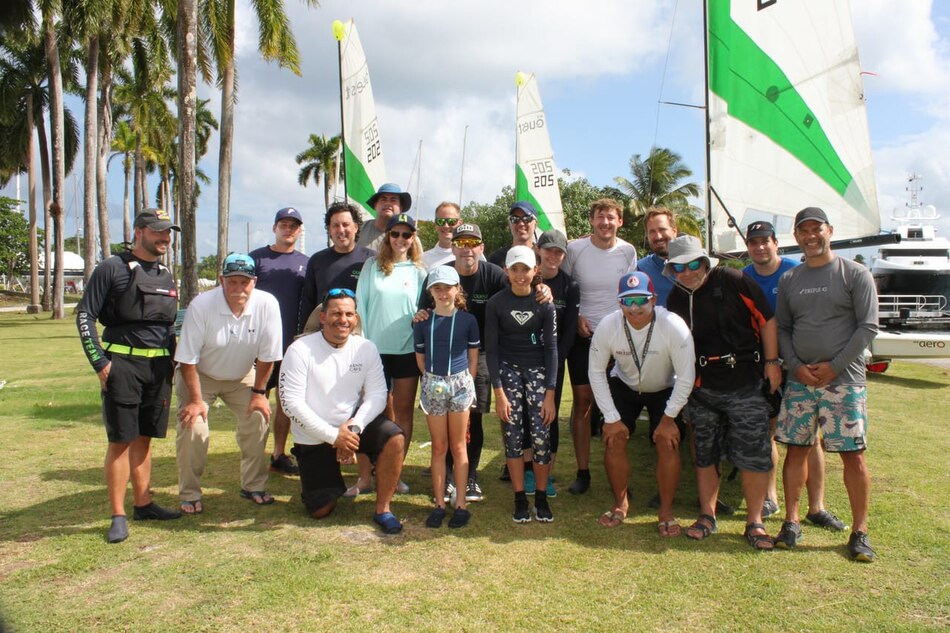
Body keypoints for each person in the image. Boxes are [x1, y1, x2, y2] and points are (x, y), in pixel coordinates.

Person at [773, 207, 879, 562]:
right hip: (800, 381)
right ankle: (791, 521)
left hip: (844, 382)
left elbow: (867, 327)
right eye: (803, 231)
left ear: (829, 231)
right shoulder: (790, 279)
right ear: (796, 236)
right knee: (796, 449)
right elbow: (783, 328)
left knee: (853, 456)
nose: (810, 236)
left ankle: (860, 532)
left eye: (816, 229)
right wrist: (795, 366)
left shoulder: (855, 273)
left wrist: (833, 367)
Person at [665, 235, 781, 551]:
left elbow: (767, 319)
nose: (687, 272)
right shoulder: (675, 298)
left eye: (692, 264)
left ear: (704, 261)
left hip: (746, 382)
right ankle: (707, 516)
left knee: (753, 454)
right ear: (671, 270)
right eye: (678, 267)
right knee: (705, 453)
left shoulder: (732, 279)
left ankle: (755, 521)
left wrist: (772, 362)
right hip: (703, 388)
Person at [76, 208, 182, 543]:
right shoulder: (112, 268)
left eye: (168, 233)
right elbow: (84, 316)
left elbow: (169, 325)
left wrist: (176, 362)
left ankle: (144, 503)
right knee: (121, 440)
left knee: (144, 437)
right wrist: (100, 363)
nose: (164, 238)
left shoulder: (166, 273)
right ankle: (118, 514)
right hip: (122, 365)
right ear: (139, 232)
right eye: (157, 232)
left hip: (159, 368)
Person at [279, 289, 406, 534]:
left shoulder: (366, 348)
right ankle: (318, 486)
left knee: (394, 437)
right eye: (336, 313)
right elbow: (290, 404)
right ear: (323, 317)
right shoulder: (300, 349)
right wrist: (334, 436)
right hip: (314, 434)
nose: (343, 319)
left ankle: (383, 509)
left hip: (351, 427)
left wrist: (353, 428)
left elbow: (378, 395)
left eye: (349, 314)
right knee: (321, 510)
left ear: (356, 319)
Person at [743, 220, 843, 528]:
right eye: (754, 242)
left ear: (776, 242)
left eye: (765, 241)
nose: (760, 246)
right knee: (769, 430)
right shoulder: (742, 277)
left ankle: (817, 506)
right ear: (748, 247)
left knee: (809, 437)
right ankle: (772, 496)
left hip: (800, 364)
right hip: (763, 364)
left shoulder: (793, 272)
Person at [174, 253, 283, 512]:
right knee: (194, 427)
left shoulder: (267, 304)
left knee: (259, 417)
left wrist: (259, 393)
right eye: (232, 281)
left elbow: (268, 356)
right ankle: (189, 493)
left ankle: (253, 486)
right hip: (199, 375)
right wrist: (196, 400)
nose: (238, 288)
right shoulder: (202, 305)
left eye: (244, 282)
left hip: (242, 374)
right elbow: (187, 358)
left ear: (254, 282)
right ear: (221, 280)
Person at [589, 272, 694, 535]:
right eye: (627, 301)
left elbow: (686, 376)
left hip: (664, 388)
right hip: (624, 386)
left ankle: (666, 510)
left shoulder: (673, 325)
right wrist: (611, 418)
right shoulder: (608, 325)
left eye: (641, 301)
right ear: (619, 303)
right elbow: (596, 372)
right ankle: (620, 503)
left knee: (667, 442)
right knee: (613, 438)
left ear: (654, 299)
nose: (634, 308)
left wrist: (669, 419)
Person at [562, 198, 638, 494]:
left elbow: (630, 291)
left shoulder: (628, 251)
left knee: (618, 406)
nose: (605, 223)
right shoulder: (575, 250)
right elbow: (566, 289)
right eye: (600, 217)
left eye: (611, 218)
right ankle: (583, 472)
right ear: (591, 221)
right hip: (585, 335)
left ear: (619, 221)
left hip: (618, 337)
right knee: (583, 402)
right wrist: (576, 315)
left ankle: (617, 473)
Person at [355, 213, 427, 494]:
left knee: (402, 413)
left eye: (406, 235)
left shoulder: (420, 271)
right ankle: (366, 475)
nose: (400, 239)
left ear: (413, 238)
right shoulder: (372, 267)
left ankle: (393, 472)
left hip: (408, 351)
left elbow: (424, 311)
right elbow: (360, 306)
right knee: (372, 411)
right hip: (374, 351)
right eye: (395, 234)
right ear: (388, 237)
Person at [486, 246, 558, 523]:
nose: (520, 275)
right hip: (508, 373)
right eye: (514, 269)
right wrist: (499, 393)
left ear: (535, 271)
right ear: (506, 271)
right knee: (513, 437)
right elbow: (491, 350)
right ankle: (519, 497)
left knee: (541, 438)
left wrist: (550, 393)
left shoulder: (545, 304)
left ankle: (540, 496)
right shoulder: (496, 304)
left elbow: (551, 349)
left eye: (525, 269)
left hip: (539, 374)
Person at [413, 266, 480, 528]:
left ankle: (460, 502)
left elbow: (473, 356)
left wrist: (466, 382)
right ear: (430, 291)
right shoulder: (422, 322)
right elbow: (420, 359)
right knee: (439, 447)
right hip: (433, 383)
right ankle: (440, 503)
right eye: (437, 288)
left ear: (457, 289)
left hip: (461, 384)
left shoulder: (468, 320)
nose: (443, 293)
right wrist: (434, 380)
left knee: (459, 445)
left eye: (447, 287)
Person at [249, 207, 309, 475]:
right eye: (283, 224)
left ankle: (278, 453)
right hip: (256, 342)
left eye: (294, 225)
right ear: (274, 228)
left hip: (290, 343)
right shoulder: (256, 259)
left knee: (286, 402)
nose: (288, 229)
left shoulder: (306, 263)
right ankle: (253, 455)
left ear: (300, 230)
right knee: (257, 397)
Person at [525, 229, 579, 497]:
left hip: (553, 362)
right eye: (549, 250)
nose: (553, 256)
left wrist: (555, 362)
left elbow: (569, 332)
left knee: (549, 415)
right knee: (524, 413)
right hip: (524, 359)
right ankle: (526, 469)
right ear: (538, 250)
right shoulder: (525, 278)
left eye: (559, 251)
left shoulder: (570, 286)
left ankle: (548, 470)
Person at [298, 202, 375, 334]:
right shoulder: (317, 260)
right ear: (329, 229)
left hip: (361, 336)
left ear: (356, 227)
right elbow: (307, 303)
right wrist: (303, 335)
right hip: (324, 335)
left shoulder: (371, 260)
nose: (341, 230)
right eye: (335, 225)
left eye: (345, 224)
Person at [357, 183, 423, 253]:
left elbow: (418, 262)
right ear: (375, 205)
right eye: (383, 199)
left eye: (393, 200)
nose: (388, 203)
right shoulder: (358, 229)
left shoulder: (409, 237)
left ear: (401, 208)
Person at [636, 207, 679, 307]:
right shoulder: (641, 269)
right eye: (652, 232)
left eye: (662, 229)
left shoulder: (695, 265)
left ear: (674, 231)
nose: (658, 236)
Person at [488, 201, 538, 268]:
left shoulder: (544, 257)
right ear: (509, 224)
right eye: (515, 219)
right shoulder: (495, 259)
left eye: (527, 218)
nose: (521, 224)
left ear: (535, 224)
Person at [421, 201, 462, 270]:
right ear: (435, 224)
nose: (446, 226)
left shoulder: (472, 254)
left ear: (460, 223)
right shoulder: (423, 259)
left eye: (451, 221)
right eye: (440, 221)